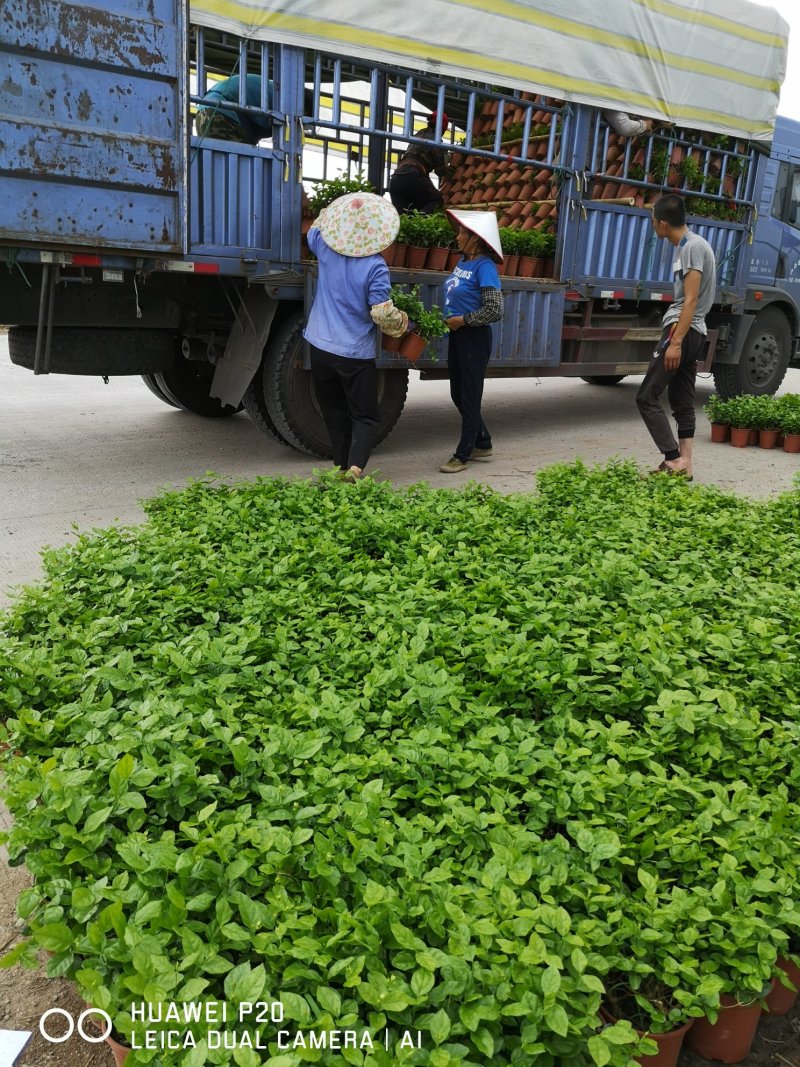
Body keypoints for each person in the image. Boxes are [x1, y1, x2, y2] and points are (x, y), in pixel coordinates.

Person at [304, 193, 408, 480]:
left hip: (320, 346)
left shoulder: (325, 247)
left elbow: (315, 229)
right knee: (366, 415)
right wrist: (403, 323)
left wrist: (330, 211)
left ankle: (339, 466)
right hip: (353, 354)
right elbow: (382, 315)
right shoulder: (375, 266)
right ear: (376, 234)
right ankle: (355, 469)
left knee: (334, 410)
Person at [636, 194, 716, 479]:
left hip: (684, 329)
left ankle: (672, 458)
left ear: (663, 223)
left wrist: (676, 342)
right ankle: (686, 465)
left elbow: (691, 300)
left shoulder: (692, 248)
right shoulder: (692, 244)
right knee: (682, 401)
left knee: (646, 397)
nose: (653, 226)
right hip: (694, 331)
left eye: (653, 221)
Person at [438, 209, 504, 474]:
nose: (457, 235)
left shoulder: (485, 266)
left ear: (475, 239)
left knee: (469, 396)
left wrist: (463, 320)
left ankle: (463, 454)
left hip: (474, 338)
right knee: (458, 393)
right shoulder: (463, 262)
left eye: (463, 232)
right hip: (457, 336)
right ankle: (483, 441)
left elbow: (495, 310)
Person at [388, 111, 452, 215]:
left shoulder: (419, 134)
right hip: (413, 175)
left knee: (404, 217)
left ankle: (412, 225)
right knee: (436, 200)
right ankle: (420, 224)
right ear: (442, 129)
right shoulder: (436, 140)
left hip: (395, 180)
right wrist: (449, 164)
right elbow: (440, 171)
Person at [196, 75, 274, 144]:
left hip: (204, 110)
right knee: (238, 159)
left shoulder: (272, 88)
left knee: (215, 158)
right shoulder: (281, 98)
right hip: (221, 113)